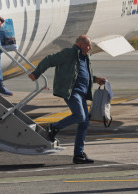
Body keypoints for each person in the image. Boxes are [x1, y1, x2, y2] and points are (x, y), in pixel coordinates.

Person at [28, 35, 106, 164]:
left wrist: (96, 79)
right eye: (88, 45)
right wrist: (36, 73)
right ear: (80, 45)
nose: (90, 48)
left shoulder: (85, 57)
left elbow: (83, 74)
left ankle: (78, 155)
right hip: (71, 92)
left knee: (84, 123)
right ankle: (53, 127)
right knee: (80, 116)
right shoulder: (68, 53)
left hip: (82, 93)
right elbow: (49, 59)